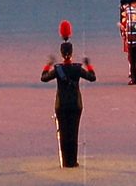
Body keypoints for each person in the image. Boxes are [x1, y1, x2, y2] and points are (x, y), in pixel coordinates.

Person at [41, 21, 95, 168]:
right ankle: (73, 161)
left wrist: (49, 64)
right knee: (74, 132)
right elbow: (92, 77)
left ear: (61, 53)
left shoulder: (58, 69)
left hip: (61, 105)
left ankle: (65, 161)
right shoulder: (77, 69)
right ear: (71, 53)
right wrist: (88, 64)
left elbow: (44, 77)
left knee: (63, 134)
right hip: (76, 105)